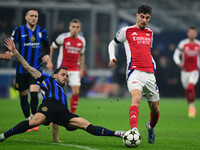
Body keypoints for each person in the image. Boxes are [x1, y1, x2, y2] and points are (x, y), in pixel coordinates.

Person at [0, 38, 124, 142]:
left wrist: (56, 139)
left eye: (66, 76)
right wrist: (15, 52)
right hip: (49, 105)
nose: (65, 77)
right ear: (55, 75)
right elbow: (27, 67)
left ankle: (119, 134)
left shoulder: (64, 93)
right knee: (33, 122)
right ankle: (3, 136)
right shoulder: (46, 79)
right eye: (63, 74)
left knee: (87, 125)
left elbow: (55, 120)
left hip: (63, 112)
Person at [108, 5, 160, 144]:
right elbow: (112, 44)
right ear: (137, 16)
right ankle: (134, 130)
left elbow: (147, 51)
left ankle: (151, 127)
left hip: (150, 74)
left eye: (147, 18)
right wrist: (112, 57)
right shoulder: (127, 31)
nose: (144, 20)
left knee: (155, 110)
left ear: (149, 18)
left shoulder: (150, 32)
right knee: (136, 99)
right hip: (134, 72)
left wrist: (153, 65)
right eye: (142, 17)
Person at [10, 8, 50, 131]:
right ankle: (28, 120)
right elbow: (11, 45)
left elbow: (47, 46)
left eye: (36, 16)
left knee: (34, 93)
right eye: (31, 16)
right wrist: (9, 53)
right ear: (26, 17)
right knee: (23, 96)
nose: (34, 18)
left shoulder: (42, 31)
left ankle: (34, 119)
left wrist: (47, 55)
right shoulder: (18, 31)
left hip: (36, 68)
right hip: (21, 70)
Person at [47, 19, 85, 113]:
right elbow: (52, 47)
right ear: (69, 27)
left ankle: (71, 115)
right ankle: (54, 113)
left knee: (76, 92)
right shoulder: (63, 38)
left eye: (77, 27)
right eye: (73, 27)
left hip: (75, 69)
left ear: (79, 28)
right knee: (58, 93)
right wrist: (49, 61)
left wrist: (82, 70)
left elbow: (82, 55)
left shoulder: (82, 40)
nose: (75, 29)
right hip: (62, 68)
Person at [173, 26, 200, 118]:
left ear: (196, 34)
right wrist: (178, 62)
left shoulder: (198, 44)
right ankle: (191, 106)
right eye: (190, 32)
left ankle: (192, 107)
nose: (192, 34)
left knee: (190, 87)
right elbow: (176, 55)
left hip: (194, 70)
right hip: (184, 71)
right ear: (188, 33)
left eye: (193, 32)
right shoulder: (183, 44)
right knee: (186, 89)